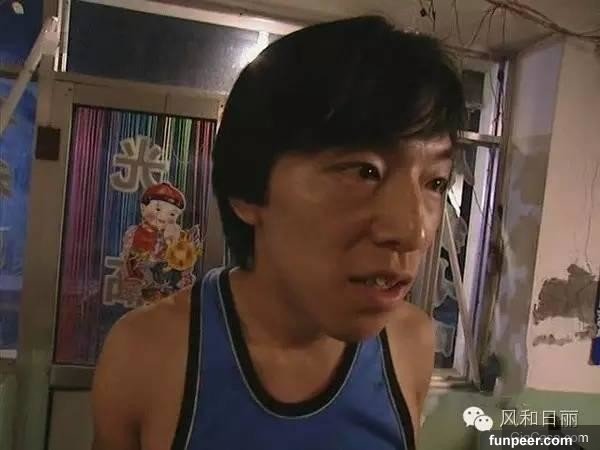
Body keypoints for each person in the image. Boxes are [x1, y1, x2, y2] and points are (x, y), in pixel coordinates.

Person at [91, 15, 464, 450]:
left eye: (435, 181)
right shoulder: (147, 352)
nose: (415, 231)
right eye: (365, 172)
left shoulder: (409, 343)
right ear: (249, 192)